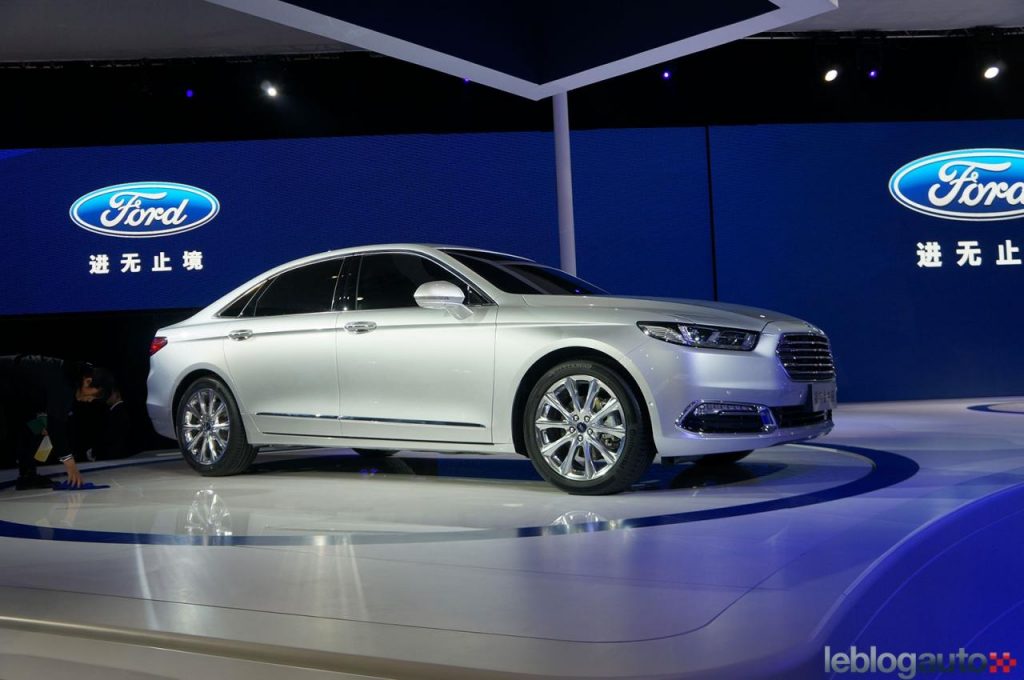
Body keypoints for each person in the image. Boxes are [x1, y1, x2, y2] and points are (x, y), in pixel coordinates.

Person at [0, 355, 112, 490]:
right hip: (6, 380)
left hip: (18, 397)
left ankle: (27, 475)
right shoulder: (65, 381)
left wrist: (42, 421)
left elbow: (33, 401)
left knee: (33, 428)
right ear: (88, 381)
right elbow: (56, 427)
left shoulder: (68, 375)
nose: (90, 400)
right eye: (94, 395)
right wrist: (71, 466)